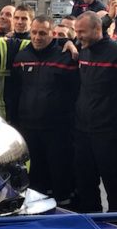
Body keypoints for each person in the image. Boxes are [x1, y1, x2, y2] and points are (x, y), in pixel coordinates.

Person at [12, 15, 79, 207]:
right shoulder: (21, 57)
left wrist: (68, 42)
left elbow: (75, 91)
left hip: (58, 130)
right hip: (28, 128)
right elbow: (15, 91)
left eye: (43, 33)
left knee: (60, 176)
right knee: (35, 178)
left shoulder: (66, 57)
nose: (37, 37)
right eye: (34, 32)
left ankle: (64, 212)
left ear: (52, 34)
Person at [73, 11, 117, 213]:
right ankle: (92, 227)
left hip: (109, 134)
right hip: (83, 131)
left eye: (81, 32)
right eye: (76, 32)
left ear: (97, 30)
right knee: (86, 185)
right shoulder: (82, 50)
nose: (78, 36)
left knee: (115, 187)